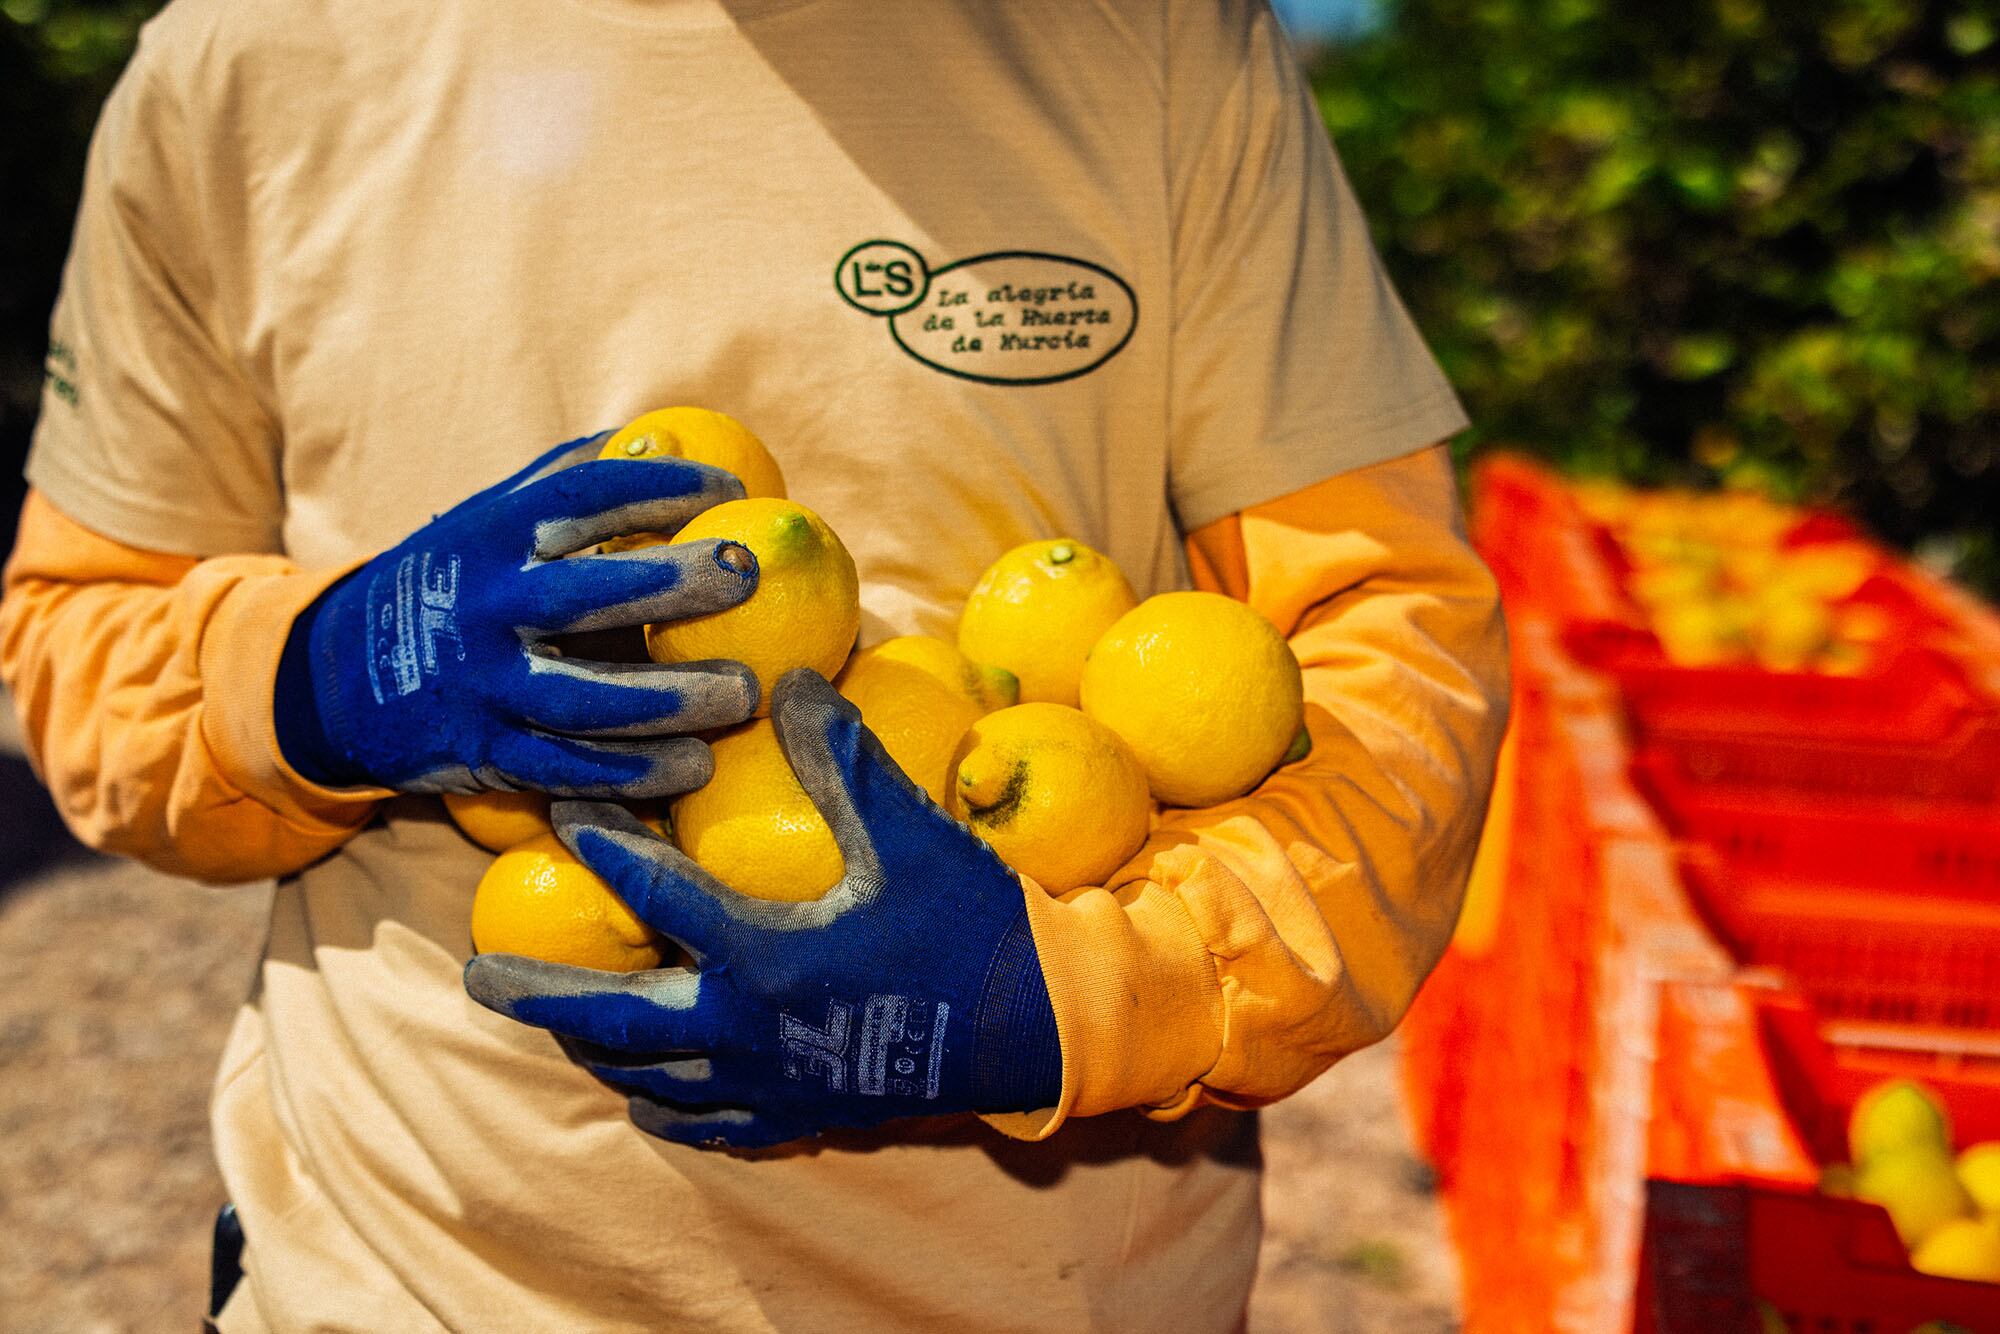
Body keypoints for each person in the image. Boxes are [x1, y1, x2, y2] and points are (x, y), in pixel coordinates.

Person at [0, 0, 1508, 1327]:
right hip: (404, 1280)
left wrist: (1082, 996)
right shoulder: (242, 61)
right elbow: (77, 634)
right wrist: (320, 673)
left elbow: (1394, 659)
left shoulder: (1160, 41)